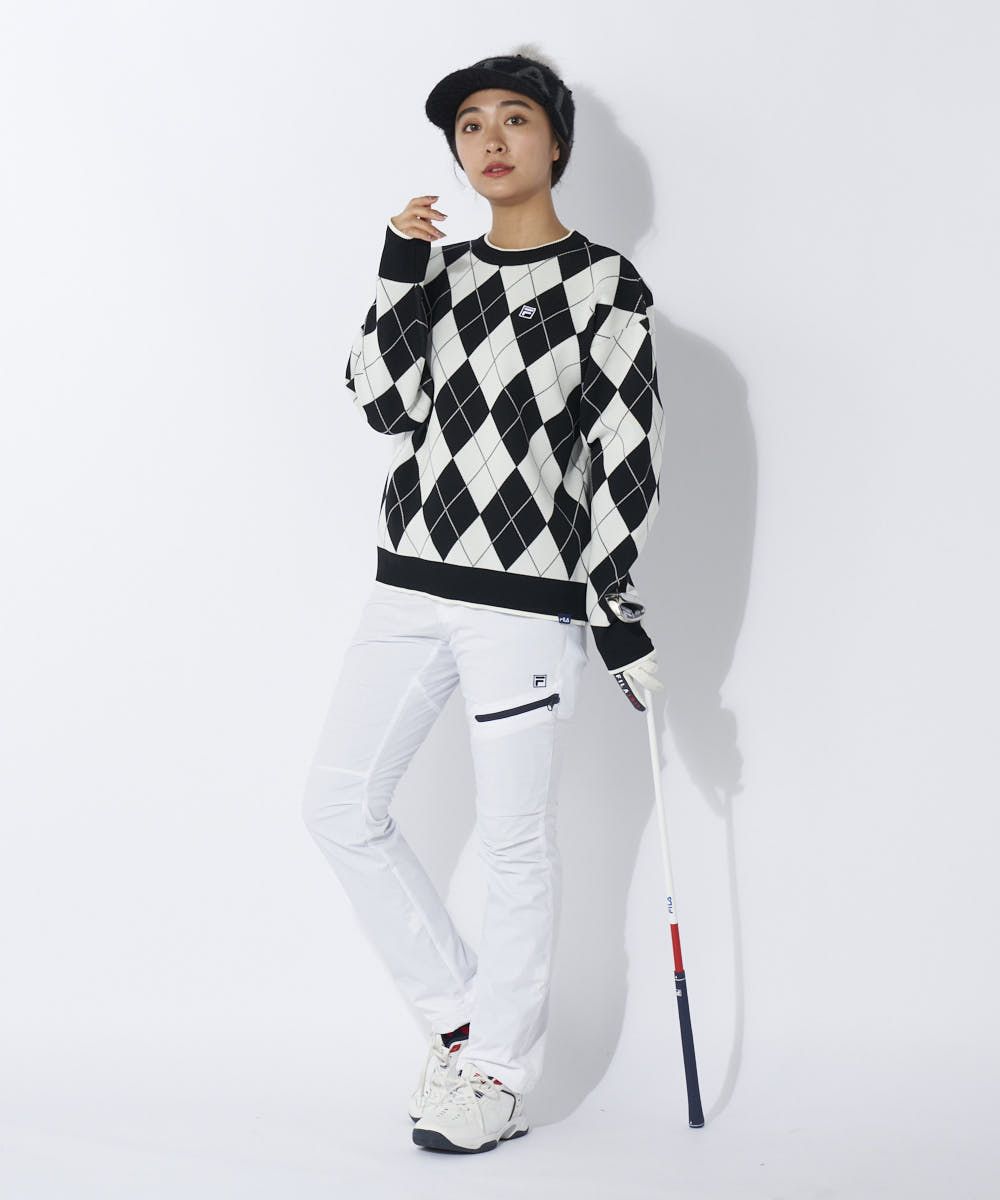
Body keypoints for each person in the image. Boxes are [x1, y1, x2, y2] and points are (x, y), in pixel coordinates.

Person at [301, 46, 665, 1154]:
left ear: (556, 141)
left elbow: (625, 459)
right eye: (469, 125)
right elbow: (380, 403)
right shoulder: (438, 273)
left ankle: (498, 1078)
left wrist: (616, 611)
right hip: (408, 585)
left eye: (513, 118)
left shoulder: (606, 284)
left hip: (524, 604)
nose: (490, 139)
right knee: (339, 806)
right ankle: (469, 1024)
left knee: (514, 843)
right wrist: (397, 267)